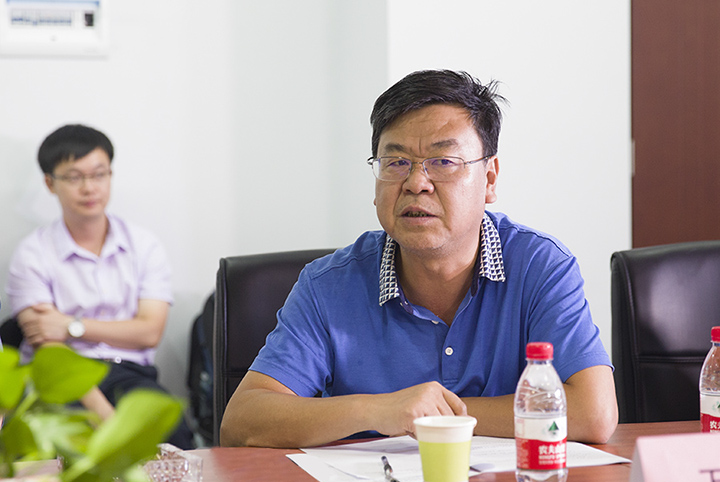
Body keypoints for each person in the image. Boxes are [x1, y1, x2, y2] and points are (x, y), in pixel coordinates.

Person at [220, 70, 618, 448]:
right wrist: (378, 410)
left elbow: (593, 412)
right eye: (396, 163)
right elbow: (242, 422)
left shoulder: (539, 267)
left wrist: (429, 417)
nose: (416, 183)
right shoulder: (328, 285)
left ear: (489, 179)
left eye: (443, 162)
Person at [6, 124, 194, 449]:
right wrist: (104, 412)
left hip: (129, 374)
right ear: (50, 183)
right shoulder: (32, 254)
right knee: (65, 449)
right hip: (61, 380)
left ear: (110, 175)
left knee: (176, 438)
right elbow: (47, 343)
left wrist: (71, 326)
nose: (89, 188)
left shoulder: (143, 245)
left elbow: (149, 332)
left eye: (99, 174)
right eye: (74, 177)